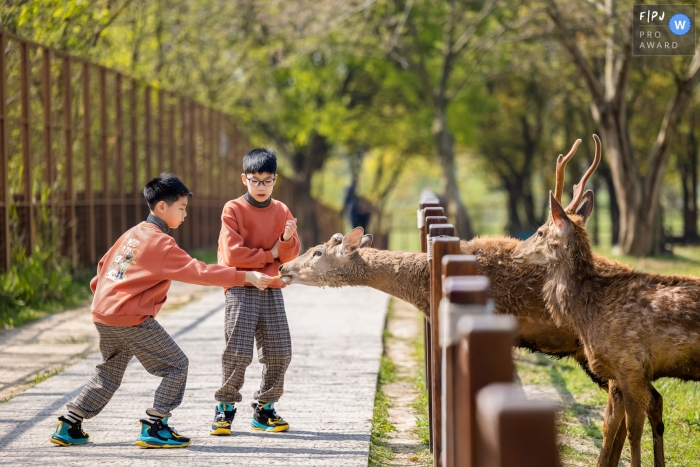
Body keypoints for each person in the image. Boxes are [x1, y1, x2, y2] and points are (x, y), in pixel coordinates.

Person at [50, 173, 272, 448]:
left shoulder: (131, 234)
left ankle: (69, 423)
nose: (184, 215)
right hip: (130, 318)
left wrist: (107, 299)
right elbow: (199, 272)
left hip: (103, 313)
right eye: (181, 208)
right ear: (162, 207)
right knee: (177, 365)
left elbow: (102, 269)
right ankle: (155, 424)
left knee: (109, 371)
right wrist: (245, 277)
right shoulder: (162, 243)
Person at [211, 148, 299, 435]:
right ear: (244, 179)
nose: (261, 187)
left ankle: (265, 408)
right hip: (240, 285)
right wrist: (268, 253)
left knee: (280, 351)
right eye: (255, 180)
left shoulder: (282, 210)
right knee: (237, 351)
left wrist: (283, 242)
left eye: (267, 180)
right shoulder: (233, 209)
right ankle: (225, 407)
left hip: (272, 287)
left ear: (275, 180)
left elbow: (289, 257)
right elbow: (233, 255)